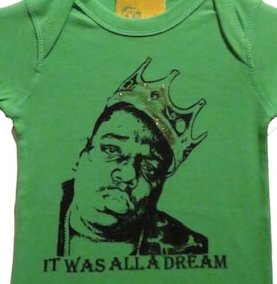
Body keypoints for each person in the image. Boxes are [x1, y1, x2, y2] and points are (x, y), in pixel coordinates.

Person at [57, 59, 208, 256]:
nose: (127, 174)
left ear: (160, 186)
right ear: (81, 154)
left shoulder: (188, 249)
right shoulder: (42, 210)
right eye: (111, 150)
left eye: (149, 168)